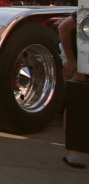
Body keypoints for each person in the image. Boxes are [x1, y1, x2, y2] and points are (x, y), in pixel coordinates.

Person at [58, 11, 87, 169]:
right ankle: (73, 150)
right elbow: (63, 27)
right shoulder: (87, 9)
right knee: (78, 96)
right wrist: (71, 61)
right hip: (78, 51)